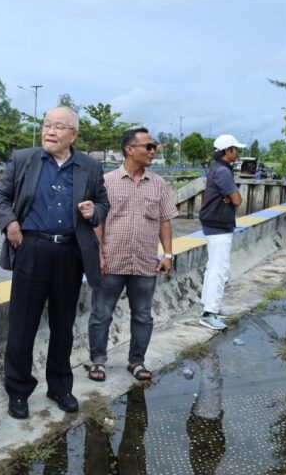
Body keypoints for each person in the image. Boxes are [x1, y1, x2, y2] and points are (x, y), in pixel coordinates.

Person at [0, 106, 110, 419]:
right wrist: (10, 223)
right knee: (22, 325)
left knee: (63, 325)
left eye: (58, 126)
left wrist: (94, 212)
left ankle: (59, 386)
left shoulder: (89, 166)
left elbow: (103, 202)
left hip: (69, 253)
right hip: (31, 248)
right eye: (47, 125)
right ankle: (18, 391)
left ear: (73, 134)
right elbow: (0, 196)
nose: (50, 131)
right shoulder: (24, 159)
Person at [87, 127, 178, 383]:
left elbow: (165, 221)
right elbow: (97, 222)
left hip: (145, 263)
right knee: (101, 314)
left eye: (153, 147)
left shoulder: (158, 184)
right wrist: (99, 255)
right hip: (112, 262)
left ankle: (136, 361)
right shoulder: (106, 182)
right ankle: (98, 360)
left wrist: (168, 254)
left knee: (143, 316)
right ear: (129, 149)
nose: (152, 151)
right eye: (148, 147)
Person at [198, 134, 245, 330]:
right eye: (236, 149)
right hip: (218, 224)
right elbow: (237, 200)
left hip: (214, 223)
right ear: (228, 151)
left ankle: (210, 307)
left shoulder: (218, 168)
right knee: (219, 269)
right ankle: (209, 313)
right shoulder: (223, 171)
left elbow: (231, 197)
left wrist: (229, 196)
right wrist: (231, 197)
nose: (238, 152)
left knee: (214, 268)